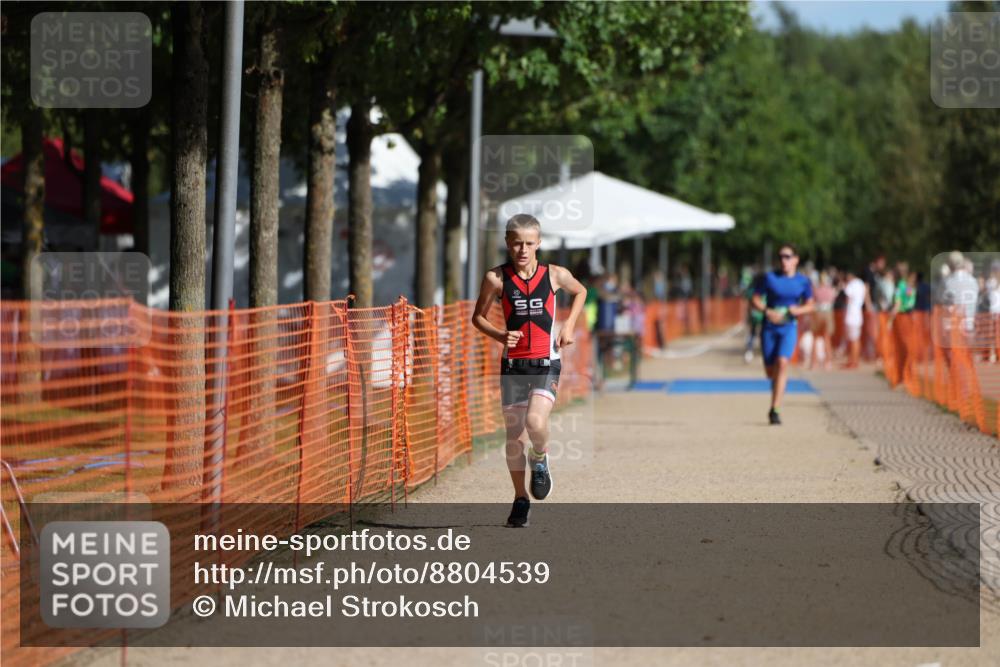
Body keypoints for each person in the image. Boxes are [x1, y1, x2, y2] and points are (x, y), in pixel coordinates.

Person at [471, 214, 587, 528]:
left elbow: (581, 292)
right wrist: (498, 334)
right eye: (516, 243)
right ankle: (520, 499)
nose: (523, 249)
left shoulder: (555, 274)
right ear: (507, 243)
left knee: (535, 421)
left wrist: (569, 325)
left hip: (546, 361)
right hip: (513, 365)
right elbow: (477, 318)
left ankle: (540, 456)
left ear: (539, 244)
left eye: (529, 243)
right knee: (513, 438)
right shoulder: (496, 278)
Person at [751, 243, 815, 425]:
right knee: (771, 372)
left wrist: (799, 310)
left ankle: (775, 409)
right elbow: (754, 299)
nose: (783, 260)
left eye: (787, 257)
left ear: (796, 259)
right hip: (769, 328)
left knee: (783, 363)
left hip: (789, 327)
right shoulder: (770, 278)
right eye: (781, 257)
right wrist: (766, 310)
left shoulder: (803, 281)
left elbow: (811, 304)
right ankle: (776, 388)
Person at [842, 268, 870, 369]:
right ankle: (854, 360)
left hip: (851, 315)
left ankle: (853, 361)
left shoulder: (851, 284)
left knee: (853, 340)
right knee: (856, 339)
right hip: (858, 315)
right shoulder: (862, 284)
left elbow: (847, 299)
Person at [810, 271, 836, 370]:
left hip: (818, 313)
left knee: (815, 338)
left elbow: (813, 301)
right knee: (827, 338)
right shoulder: (830, 290)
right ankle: (828, 362)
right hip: (828, 313)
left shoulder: (816, 290)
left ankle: (814, 363)